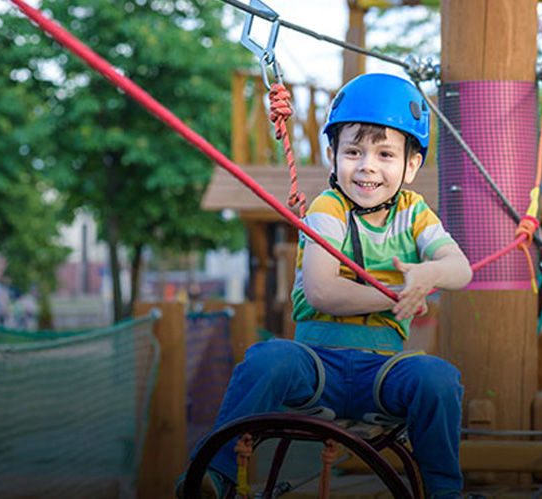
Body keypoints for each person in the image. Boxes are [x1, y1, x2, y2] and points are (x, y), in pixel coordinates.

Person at [176, 73, 473, 499]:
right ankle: (215, 475)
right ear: (333, 156)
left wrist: (427, 275)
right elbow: (322, 292)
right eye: (354, 151)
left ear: (411, 166)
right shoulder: (326, 208)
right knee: (268, 357)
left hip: (381, 372)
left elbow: (460, 269)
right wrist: (398, 295)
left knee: (437, 376)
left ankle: (445, 492)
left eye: (385, 154)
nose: (368, 165)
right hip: (317, 368)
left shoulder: (415, 212)